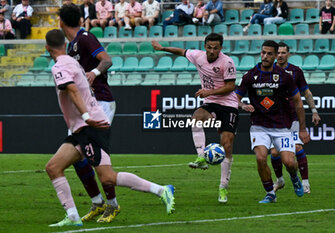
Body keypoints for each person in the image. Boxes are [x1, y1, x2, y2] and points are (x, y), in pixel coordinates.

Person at [45, 29, 175, 227]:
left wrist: (87, 117)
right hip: (83, 128)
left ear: (47, 48)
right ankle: (73, 217)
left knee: (108, 178)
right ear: (64, 45)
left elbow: (72, 89)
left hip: (89, 127)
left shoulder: (60, 66)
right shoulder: (73, 62)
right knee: (53, 167)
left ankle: (162, 190)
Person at [152, 33, 246, 204]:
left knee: (227, 143)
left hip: (228, 104)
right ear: (205, 46)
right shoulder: (198, 56)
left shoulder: (227, 62)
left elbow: (231, 86)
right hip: (210, 102)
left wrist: (208, 91)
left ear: (220, 48)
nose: (211, 51)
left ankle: (223, 186)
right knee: (195, 118)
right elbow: (181, 51)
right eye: (209, 47)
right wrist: (162, 48)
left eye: (215, 48)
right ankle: (201, 157)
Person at [59, 4, 117, 223]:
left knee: (96, 156)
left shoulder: (85, 38)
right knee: (76, 156)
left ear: (61, 22)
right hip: (84, 106)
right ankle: (97, 202)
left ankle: (112, 206)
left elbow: (107, 59)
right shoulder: (72, 45)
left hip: (100, 102)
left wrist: (93, 73)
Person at [235, 40, 311, 203]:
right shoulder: (250, 76)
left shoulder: (285, 77)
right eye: (263, 52)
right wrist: (242, 105)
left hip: (282, 127)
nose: (265, 56)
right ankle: (270, 193)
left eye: (270, 53)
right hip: (259, 126)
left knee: (289, 162)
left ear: (276, 56)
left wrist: (302, 128)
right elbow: (235, 99)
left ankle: (294, 177)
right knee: (261, 158)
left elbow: (298, 101)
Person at [270, 42, 321, 194]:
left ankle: (305, 183)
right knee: (274, 153)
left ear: (288, 54)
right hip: (274, 118)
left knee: (297, 147)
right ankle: (279, 180)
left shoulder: (295, 71)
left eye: (283, 53)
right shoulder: (268, 71)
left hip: (292, 117)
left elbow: (306, 92)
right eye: (278, 53)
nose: (280, 55)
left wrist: (314, 110)